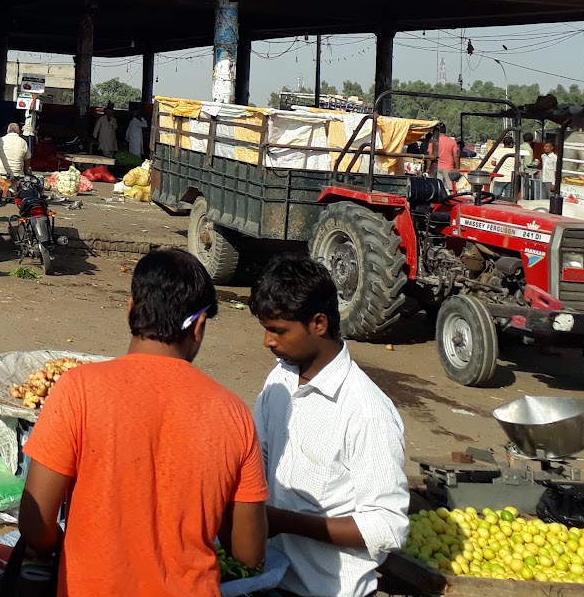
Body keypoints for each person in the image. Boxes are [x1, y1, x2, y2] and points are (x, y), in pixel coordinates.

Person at [20, 248, 267, 595]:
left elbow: (36, 522)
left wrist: (56, 547)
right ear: (198, 326)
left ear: (132, 309)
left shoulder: (79, 390)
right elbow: (250, 552)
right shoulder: (234, 413)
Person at [250, 255, 409, 597]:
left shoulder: (367, 411)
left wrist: (286, 523)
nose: (268, 342)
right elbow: (256, 463)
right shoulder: (279, 381)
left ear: (318, 324)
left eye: (278, 330)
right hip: (268, 580)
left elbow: (388, 526)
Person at [0, 123, 32, 207]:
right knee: (17, 177)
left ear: (7, 131)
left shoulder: (1, 140)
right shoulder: (23, 142)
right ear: (18, 132)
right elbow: (28, 158)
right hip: (17, 172)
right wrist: (26, 171)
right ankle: (12, 190)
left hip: (0, 170)